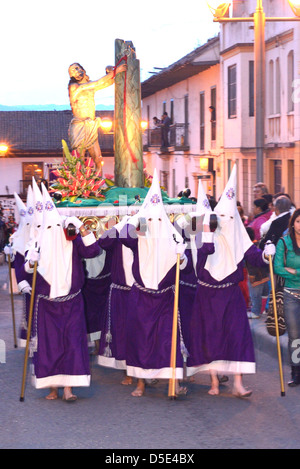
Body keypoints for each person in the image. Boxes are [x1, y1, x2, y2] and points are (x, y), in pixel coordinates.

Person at [186, 165, 275, 397]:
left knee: (237, 335)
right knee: (210, 335)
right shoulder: (205, 235)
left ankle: (238, 383)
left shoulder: (239, 236)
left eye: (230, 217)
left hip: (230, 294)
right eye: (222, 216)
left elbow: (254, 256)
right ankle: (214, 381)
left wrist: (267, 253)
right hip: (207, 294)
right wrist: (207, 236)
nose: (225, 221)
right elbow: (199, 261)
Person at [22, 184, 100, 402]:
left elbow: (93, 251)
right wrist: (30, 262)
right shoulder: (36, 241)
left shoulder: (71, 238)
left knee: (73, 344)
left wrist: (82, 228)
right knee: (50, 345)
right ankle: (52, 387)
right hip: (47, 303)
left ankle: (68, 389)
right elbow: (25, 270)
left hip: (72, 301)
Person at [119, 169, 189, 397]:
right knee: (141, 338)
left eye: (157, 218)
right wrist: (137, 219)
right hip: (141, 297)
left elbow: (184, 264)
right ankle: (140, 382)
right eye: (150, 219)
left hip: (166, 297)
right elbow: (120, 236)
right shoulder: (137, 236)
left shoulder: (173, 235)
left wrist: (182, 254)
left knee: (168, 339)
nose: (154, 223)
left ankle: (174, 383)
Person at [96, 215, 134, 385]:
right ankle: (128, 370)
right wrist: (118, 227)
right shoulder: (117, 235)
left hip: (140, 291)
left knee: (139, 331)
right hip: (121, 291)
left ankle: (144, 369)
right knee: (122, 330)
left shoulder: (142, 232)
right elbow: (102, 242)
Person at [68, 62, 126, 170]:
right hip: (79, 126)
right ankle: (79, 184)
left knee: (98, 158)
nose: (76, 71)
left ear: (83, 69)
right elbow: (98, 82)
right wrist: (116, 71)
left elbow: (107, 83)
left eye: (77, 68)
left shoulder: (89, 87)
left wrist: (110, 72)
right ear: (72, 76)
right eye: (73, 71)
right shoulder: (74, 87)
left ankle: (96, 182)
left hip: (91, 125)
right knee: (78, 159)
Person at [274, 209, 300, 387]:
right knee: (295, 337)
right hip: (290, 294)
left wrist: (295, 271)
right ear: (293, 223)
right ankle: (295, 371)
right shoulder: (284, 242)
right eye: (298, 221)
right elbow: (278, 267)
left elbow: (287, 269)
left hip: (293, 284)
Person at [246, 227, 270, 319]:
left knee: (255, 296)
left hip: (255, 277)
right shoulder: (259, 244)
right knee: (264, 293)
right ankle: (263, 310)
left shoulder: (248, 249)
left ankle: (256, 312)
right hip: (265, 275)